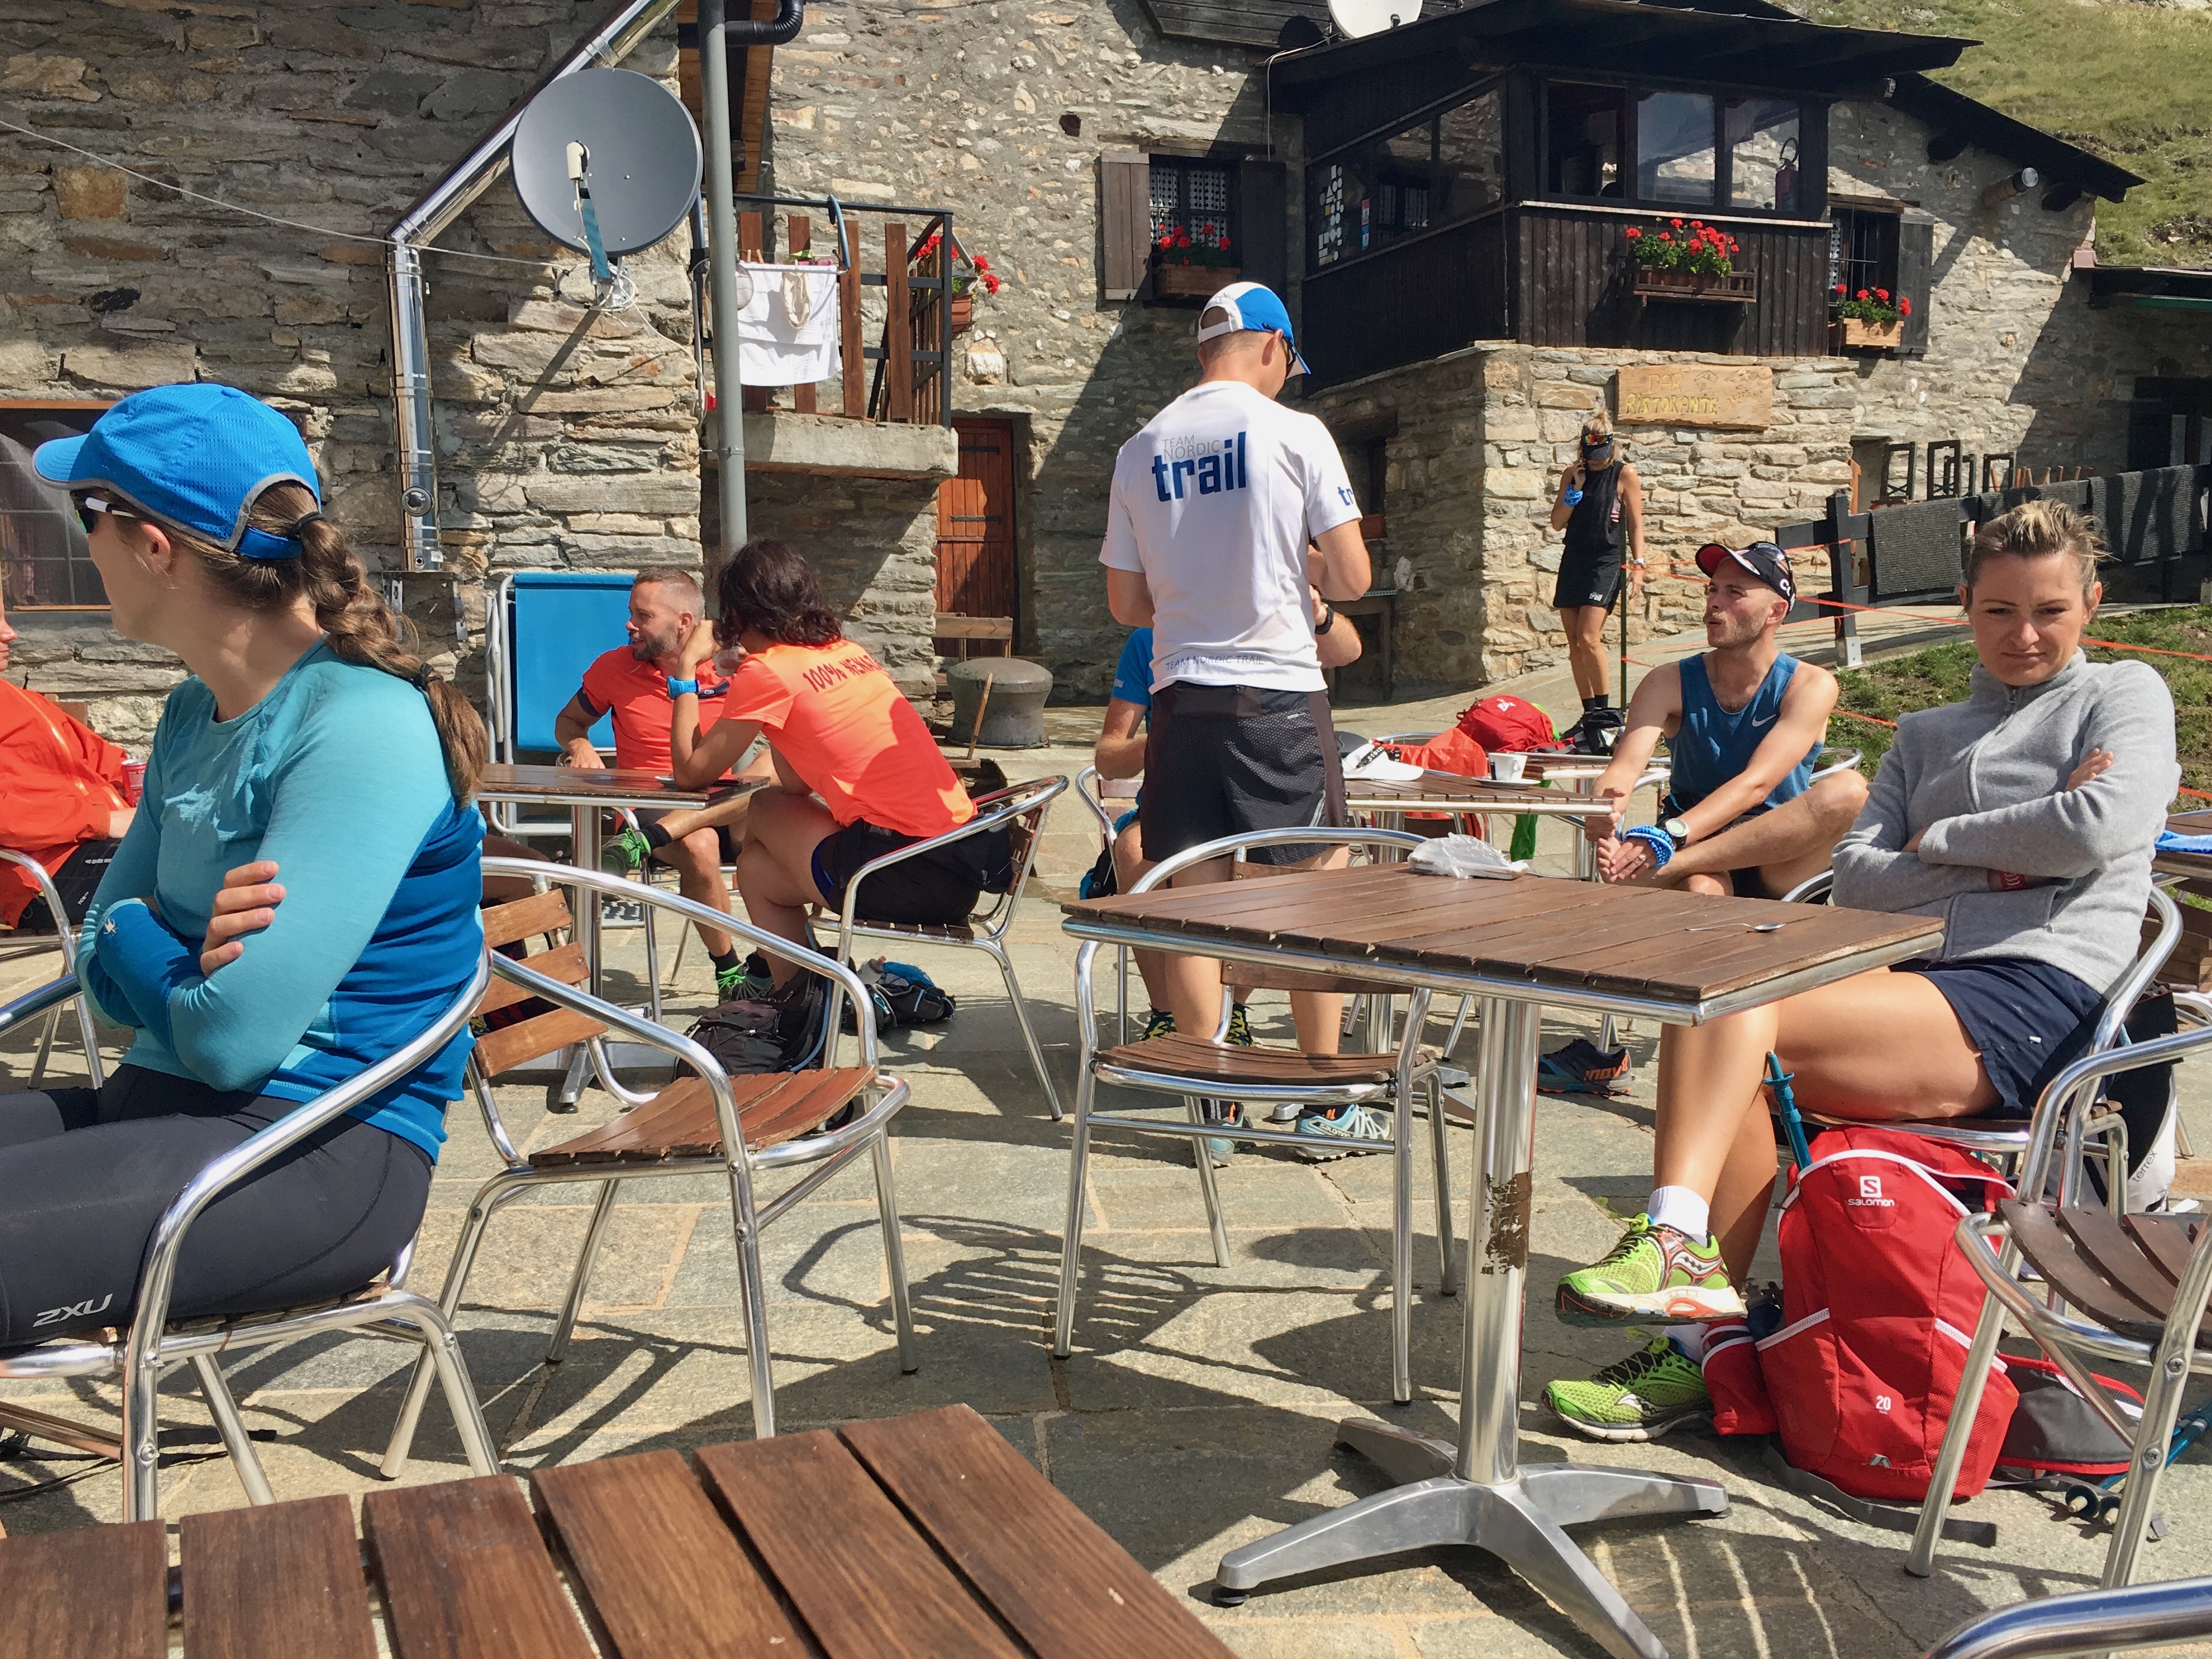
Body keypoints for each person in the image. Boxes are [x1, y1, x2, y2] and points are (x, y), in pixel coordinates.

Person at [1544, 500, 2179, 1442]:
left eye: (2049, 609)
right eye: (1999, 611)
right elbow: (1863, 877)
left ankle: (1674, 1251)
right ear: (1965, 607)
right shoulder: (1925, 732)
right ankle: (1697, 1345)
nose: (2025, 633)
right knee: (1725, 1013)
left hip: (2041, 997)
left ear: (2090, 603)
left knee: (1734, 1014)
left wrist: (1943, 840)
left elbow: (2100, 828)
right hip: (1914, 982)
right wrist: (2008, 854)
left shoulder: (2122, 695)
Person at [0, 382, 487, 1347]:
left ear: (151, 545)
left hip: (316, 1147)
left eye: (85, 512)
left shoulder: (362, 725)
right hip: (161, 1107)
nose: (78, 540)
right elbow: (107, 985)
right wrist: (168, 951)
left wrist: (143, 929)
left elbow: (228, 1036)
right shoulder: (192, 712)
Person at [1100, 280, 1381, 1160]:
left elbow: (1126, 603)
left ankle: (1213, 1100)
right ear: (1270, 346)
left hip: (1181, 699)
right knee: (1316, 897)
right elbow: (1352, 579)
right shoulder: (1296, 433)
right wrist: (1293, 575)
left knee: (1195, 903)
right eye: (1289, 363)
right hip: (1276, 697)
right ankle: (1322, 1102)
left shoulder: (1140, 447)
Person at [669, 538, 1005, 990]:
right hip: (957, 870)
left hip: (896, 873)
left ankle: (801, 1004)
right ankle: (802, 1002)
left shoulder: (766, 671)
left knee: (764, 807)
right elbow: (795, 784)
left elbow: (691, 773)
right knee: (757, 871)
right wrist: (779, 723)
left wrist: (686, 669)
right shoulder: (847, 653)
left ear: (739, 614)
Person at [1096, 584, 1364, 1046]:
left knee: (1281, 881)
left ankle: (1232, 1012)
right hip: (1178, 802)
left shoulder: (1277, 610)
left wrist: (1318, 613)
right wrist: (1170, 732)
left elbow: (1347, 649)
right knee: (1137, 852)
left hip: (1267, 791)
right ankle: (1169, 1014)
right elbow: (1109, 758)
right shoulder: (1152, 638)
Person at [1581, 540, 1869, 902]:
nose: (1715, 603)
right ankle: (1673, 874)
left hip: (1770, 852)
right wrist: (1604, 810)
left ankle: (1670, 868)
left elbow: (1757, 784)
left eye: (1735, 593)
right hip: (1697, 850)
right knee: (1703, 891)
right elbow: (1623, 769)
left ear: (1775, 612)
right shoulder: (1667, 681)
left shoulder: (1810, 684)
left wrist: (1671, 837)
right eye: (1713, 589)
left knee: (1850, 790)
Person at [552, 566, 774, 997]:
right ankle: (729, 973)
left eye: (642, 615)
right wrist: (579, 744)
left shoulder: (733, 666)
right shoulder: (613, 667)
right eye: (631, 613)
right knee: (700, 843)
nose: (629, 625)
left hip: (730, 800)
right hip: (650, 802)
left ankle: (770, 963)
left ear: (684, 622)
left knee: (787, 819)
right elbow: (569, 721)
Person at [0, 586, 135, 933]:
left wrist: (160, 791)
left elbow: (107, 759)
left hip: (96, 847)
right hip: (42, 876)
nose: (10, 633)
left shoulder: (25, 702)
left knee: (215, 844)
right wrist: (103, 820)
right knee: (192, 868)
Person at [1548, 411, 1647, 753]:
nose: (1597, 462)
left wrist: (1638, 564)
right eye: (1592, 457)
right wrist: (1574, 489)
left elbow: (1635, 524)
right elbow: (1557, 523)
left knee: (1590, 637)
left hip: (1606, 560)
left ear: (1611, 447)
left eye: (1602, 455)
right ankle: (1589, 712)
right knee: (1575, 641)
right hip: (1574, 557)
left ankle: (1607, 712)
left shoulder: (1625, 474)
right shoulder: (1573, 474)